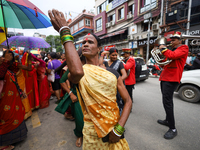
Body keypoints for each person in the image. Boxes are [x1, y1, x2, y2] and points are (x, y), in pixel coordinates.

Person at [48, 9, 132, 150]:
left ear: (99, 48)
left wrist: (119, 129)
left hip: (113, 128)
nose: (85, 44)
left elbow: (128, 101)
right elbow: (76, 71)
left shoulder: (112, 73)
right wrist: (64, 32)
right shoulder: (78, 73)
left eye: (90, 42)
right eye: (83, 43)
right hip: (92, 131)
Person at [157, 31, 189, 139]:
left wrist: (163, 48)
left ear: (180, 40)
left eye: (174, 40)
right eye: (171, 40)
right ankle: (167, 120)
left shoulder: (183, 48)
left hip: (172, 79)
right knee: (165, 101)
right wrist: (158, 56)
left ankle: (173, 128)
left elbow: (173, 56)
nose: (171, 42)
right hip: (165, 78)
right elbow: (165, 61)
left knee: (167, 102)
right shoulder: (172, 50)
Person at [0, 50, 28, 150]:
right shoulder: (3, 67)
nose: (10, 56)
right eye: (7, 55)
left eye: (11, 54)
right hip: (4, 101)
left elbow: (14, 82)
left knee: (16, 116)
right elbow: (0, 75)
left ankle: (14, 138)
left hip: (14, 99)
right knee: (6, 119)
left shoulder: (9, 68)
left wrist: (20, 91)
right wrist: (5, 62)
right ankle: (2, 145)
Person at [100, 48, 127, 114]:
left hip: (116, 87)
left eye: (116, 55)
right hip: (107, 87)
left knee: (117, 104)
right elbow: (100, 66)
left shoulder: (119, 63)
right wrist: (102, 54)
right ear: (109, 55)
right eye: (113, 55)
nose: (115, 57)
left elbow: (124, 75)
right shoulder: (105, 62)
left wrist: (117, 82)